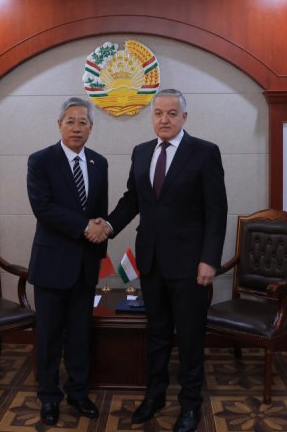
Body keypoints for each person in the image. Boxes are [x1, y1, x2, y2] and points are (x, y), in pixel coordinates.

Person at [101, 88, 227, 432]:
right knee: (156, 333)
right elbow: (133, 199)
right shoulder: (141, 152)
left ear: (184, 117)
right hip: (151, 260)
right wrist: (109, 226)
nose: (164, 119)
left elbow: (217, 211)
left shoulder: (204, 152)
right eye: (158, 113)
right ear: (152, 117)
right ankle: (154, 395)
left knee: (189, 337)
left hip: (190, 264)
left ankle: (190, 405)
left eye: (172, 113)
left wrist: (209, 259)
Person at [27, 97, 109, 426]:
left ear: (91, 127)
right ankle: (49, 397)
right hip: (52, 264)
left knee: (79, 334)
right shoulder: (41, 160)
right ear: (59, 125)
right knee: (48, 335)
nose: (77, 127)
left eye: (83, 122)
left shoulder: (99, 163)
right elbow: (43, 207)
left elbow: (99, 211)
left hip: (85, 265)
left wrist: (100, 240)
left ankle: (77, 392)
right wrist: (85, 227)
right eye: (70, 121)